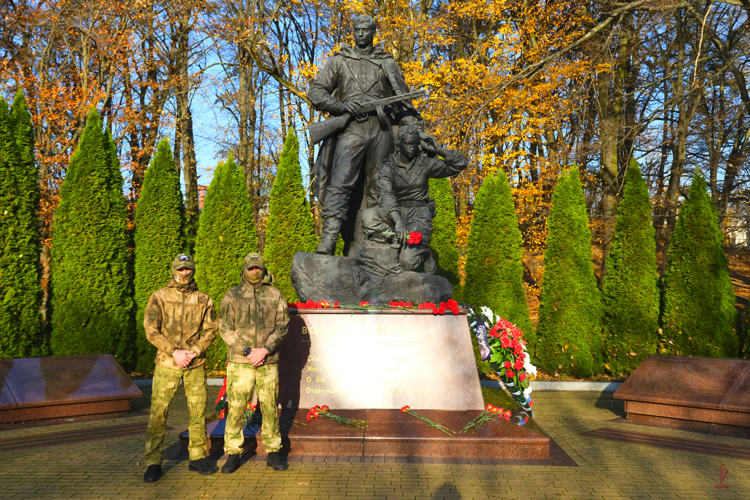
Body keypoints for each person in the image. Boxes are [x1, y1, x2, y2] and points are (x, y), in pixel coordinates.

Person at [308, 14, 421, 255]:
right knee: (340, 183)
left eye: (365, 30)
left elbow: (403, 101)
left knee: (380, 187)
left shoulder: (386, 62)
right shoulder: (339, 60)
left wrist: (415, 131)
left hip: (381, 129)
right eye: (357, 30)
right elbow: (316, 92)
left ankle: (374, 242)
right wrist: (340, 107)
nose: (360, 34)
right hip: (351, 129)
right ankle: (329, 240)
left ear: (373, 32)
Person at [142, 253, 219, 483]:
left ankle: (197, 457)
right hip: (167, 363)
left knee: (198, 412)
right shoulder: (159, 296)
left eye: (187, 269)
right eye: (180, 269)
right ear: (173, 270)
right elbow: (151, 329)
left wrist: (193, 351)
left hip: (195, 363)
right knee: (158, 413)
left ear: (193, 270)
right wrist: (174, 351)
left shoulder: (204, 299)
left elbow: (211, 330)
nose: (184, 272)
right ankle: (153, 462)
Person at [360, 124, 469, 272]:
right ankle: (393, 239)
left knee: (406, 263)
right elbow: (385, 195)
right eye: (407, 144)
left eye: (414, 144)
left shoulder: (424, 164)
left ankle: (424, 252)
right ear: (398, 144)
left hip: (419, 215)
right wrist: (397, 220)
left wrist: (438, 149)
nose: (412, 148)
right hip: (395, 211)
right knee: (368, 216)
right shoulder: (388, 167)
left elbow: (460, 164)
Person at [219, 252, 290, 473]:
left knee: (269, 406)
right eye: (251, 268)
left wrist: (265, 349)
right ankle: (233, 453)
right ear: (244, 269)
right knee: (237, 407)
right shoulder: (232, 295)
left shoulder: (274, 294)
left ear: (263, 268)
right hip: (241, 361)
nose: (255, 271)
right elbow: (225, 327)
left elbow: (283, 325)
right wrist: (248, 351)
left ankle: (273, 452)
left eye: (258, 267)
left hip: (268, 360)